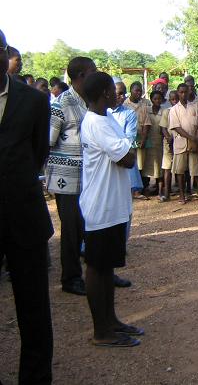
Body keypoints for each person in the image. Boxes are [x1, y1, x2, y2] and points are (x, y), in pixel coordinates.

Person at [0, 29, 54, 384]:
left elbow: (38, 154)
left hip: (24, 217)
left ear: (4, 54)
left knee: (33, 308)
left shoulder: (33, 101)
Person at [80, 71, 142, 348]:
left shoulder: (105, 119)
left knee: (107, 269)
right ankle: (101, 331)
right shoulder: (96, 123)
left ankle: (111, 321)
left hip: (113, 204)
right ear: (105, 92)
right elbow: (127, 158)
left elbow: (126, 153)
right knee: (97, 267)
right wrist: (128, 151)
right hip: (101, 206)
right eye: (112, 89)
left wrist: (127, 151)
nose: (117, 93)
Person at [48, 56, 97, 296]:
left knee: (92, 223)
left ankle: (98, 272)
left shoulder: (90, 101)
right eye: (92, 72)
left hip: (89, 176)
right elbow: (47, 139)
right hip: (66, 178)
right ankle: (71, 277)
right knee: (71, 227)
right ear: (80, 76)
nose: (96, 76)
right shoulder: (62, 103)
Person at [169, 83, 198, 204]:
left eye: (185, 92)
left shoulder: (194, 107)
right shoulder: (173, 110)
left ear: (189, 92)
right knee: (180, 170)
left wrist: (197, 139)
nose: (183, 94)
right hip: (181, 143)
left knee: (196, 169)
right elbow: (176, 127)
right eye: (181, 92)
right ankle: (182, 194)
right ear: (178, 93)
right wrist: (191, 138)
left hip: (195, 142)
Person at [124, 81, 151, 198]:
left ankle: (140, 189)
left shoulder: (143, 106)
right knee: (129, 164)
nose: (139, 93)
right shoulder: (124, 105)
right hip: (127, 139)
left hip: (140, 137)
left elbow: (146, 123)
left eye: (140, 91)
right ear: (131, 91)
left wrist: (144, 139)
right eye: (136, 90)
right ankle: (129, 189)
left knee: (141, 165)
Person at [143, 90, 165, 199]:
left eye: (159, 99)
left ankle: (160, 191)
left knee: (159, 167)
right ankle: (145, 189)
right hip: (148, 142)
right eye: (155, 99)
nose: (157, 101)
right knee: (147, 166)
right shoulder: (146, 110)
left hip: (159, 143)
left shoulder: (164, 112)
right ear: (151, 99)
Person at [159, 90, 178, 201]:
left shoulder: (180, 110)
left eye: (176, 99)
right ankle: (167, 193)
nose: (174, 101)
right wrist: (168, 138)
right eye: (172, 99)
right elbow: (163, 128)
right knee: (167, 168)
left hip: (179, 142)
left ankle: (183, 191)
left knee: (180, 168)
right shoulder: (167, 111)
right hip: (168, 142)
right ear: (169, 100)